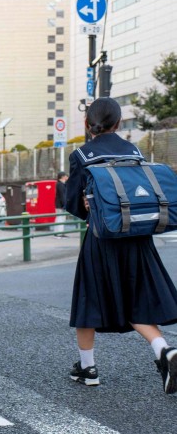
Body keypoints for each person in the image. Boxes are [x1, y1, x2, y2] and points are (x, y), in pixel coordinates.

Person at [64, 97, 177, 392]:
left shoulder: (81, 154)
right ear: (118, 123)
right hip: (137, 237)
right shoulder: (134, 151)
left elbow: (74, 204)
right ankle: (164, 349)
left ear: (87, 124)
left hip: (102, 238)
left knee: (89, 298)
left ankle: (88, 368)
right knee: (136, 297)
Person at [53, 171, 69, 237]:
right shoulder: (60, 185)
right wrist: (64, 205)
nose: (67, 177)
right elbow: (63, 196)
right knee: (60, 218)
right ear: (62, 177)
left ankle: (58, 232)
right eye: (66, 176)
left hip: (59, 204)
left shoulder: (60, 184)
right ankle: (59, 233)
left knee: (59, 218)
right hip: (61, 205)